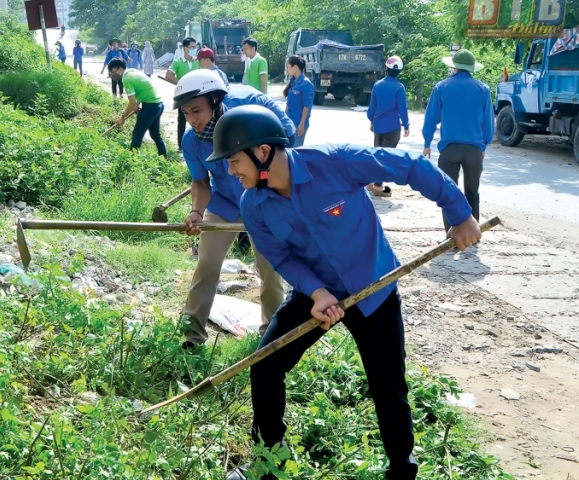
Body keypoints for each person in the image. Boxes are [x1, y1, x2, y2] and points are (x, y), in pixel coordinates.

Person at [207, 105, 482, 480]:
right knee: (266, 365)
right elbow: (282, 257)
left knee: (388, 386)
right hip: (315, 294)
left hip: (374, 289)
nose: (231, 171)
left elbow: (410, 166)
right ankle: (268, 463)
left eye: (235, 160)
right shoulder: (253, 205)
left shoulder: (334, 162)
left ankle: (402, 470)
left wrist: (459, 212)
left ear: (263, 152)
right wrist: (316, 292)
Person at [172, 70, 296, 347]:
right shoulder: (191, 142)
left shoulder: (250, 125)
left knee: (270, 270)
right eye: (185, 114)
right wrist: (196, 212)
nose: (192, 120)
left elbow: (283, 160)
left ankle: (271, 337)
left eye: (196, 111)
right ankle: (192, 335)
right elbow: (201, 183)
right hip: (224, 203)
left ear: (216, 101)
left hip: (263, 202)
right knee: (206, 265)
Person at [421, 49, 494, 231]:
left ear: (454, 67)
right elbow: (488, 123)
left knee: (449, 193)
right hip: (474, 151)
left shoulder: (441, 87)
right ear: (471, 68)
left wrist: (427, 143)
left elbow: (431, 118)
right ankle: (473, 233)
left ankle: (451, 233)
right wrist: (484, 145)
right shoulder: (483, 89)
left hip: (449, 149)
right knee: (472, 192)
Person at [366, 55, 410, 198]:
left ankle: (372, 182)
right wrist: (406, 125)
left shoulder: (377, 85)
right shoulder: (399, 87)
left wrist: (372, 121)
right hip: (392, 128)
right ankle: (378, 187)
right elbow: (402, 109)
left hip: (378, 127)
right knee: (386, 158)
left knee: (377, 154)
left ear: (386, 69)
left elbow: (372, 108)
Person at [109, 58, 168, 158]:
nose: (112, 75)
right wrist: (138, 104)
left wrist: (123, 117)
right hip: (158, 105)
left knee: (137, 134)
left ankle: (131, 161)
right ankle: (165, 159)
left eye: (113, 72)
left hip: (150, 107)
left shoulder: (127, 79)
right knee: (155, 135)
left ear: (120, 69)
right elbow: (142, 88)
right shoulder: (133, 71)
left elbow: (131, 103)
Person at [165, 37, 201, 150]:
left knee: (198, 119)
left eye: (195, 47)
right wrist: (181, 84)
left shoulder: (197, 61)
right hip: (183, 95)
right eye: (192, 47)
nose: (194, 49)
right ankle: (181, 145)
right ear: (185, 48)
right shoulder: (178, 62)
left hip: (197, 95)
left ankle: (198, 144)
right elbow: (168, 75)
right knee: (182, 119)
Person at [282, 56, 314, 147]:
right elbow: (288, 104)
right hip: (289, 123)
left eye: (288, 67)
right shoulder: (292, 82)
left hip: (298, 123)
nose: (287, 70)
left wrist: (302, 124)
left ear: (295, 67)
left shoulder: (306, 84)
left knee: (295, 151)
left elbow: (307, 106)